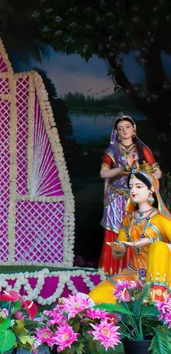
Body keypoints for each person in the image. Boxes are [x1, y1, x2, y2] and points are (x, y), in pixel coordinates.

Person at [89, 165, 171, 304]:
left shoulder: (161, 218)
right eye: (131, 186)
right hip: (132, 274)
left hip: (158, 274)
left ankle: (155, 305)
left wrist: (151, 242)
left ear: (151, 190)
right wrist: (118, 250)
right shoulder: (128, 219)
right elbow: (118, 253)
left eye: (139, 186)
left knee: (158, 247)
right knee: (95, 297)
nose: (133, 190)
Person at [98, 113, 161, 275]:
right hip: (116, 198)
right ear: (116, 133)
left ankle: (136, 270)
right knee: (115, 231)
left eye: (127, 127)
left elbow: (158, 173)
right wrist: (121, 170)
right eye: (120, 129)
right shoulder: (112, 150)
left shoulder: (142, 149)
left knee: (136, 231)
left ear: (134, 129)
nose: (124, 130)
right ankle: (111, 271)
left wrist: (141, 173)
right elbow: (103, 174)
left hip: (136, 199)